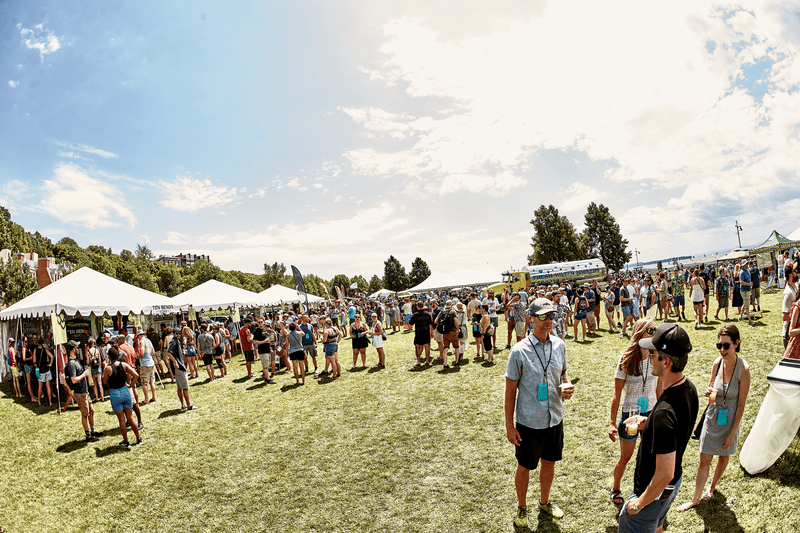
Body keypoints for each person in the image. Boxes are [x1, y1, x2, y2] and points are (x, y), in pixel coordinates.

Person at [618, 323, 699, 533]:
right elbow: (677, 428)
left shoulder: (664, 413)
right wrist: (648, 422)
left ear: (666, 362)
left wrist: (639, 503)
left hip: (653, 490)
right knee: (657, 526)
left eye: (653, 353)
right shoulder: (689, 389)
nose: (648, 356)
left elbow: (664, 473)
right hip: (672, 486)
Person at [505, 298, 574, 527]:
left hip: (554, 417)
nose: (548, 321)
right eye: (543, 316)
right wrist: (509, 426)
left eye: (551, 316)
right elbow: (510, 391)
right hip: (529, 422)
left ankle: (544, 503)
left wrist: (566, 384)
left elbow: (564, 372)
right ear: (531, 318)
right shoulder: (518, 351)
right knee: (524, 466)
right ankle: (522, 508)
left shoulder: (560, 345)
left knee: (549, 463)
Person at [678, 325, 750, 511]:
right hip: (713, 416)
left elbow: (741, 405)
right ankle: (695, 499)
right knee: (704, 459)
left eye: (726, 345)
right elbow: (711, 394)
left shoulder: (743, 369)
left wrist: (732, 433)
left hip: (730, 419)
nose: (722, 350)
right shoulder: (717, 363)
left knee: (723, 457)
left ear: (736, 343)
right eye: (719, 345)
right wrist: (709, 393)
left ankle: (712, 486)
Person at [608, 318, 662, 505]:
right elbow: (616, 394)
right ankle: (615, 488)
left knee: (650, 457)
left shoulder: (658, 356)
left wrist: (662, 412)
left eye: (655, 330)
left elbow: (660, 389)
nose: (654, 333)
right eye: (651, 330)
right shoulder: (626, 359)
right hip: (630, 415)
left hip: (651, 414)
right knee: (626, 456)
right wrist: (612, 423)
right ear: (640, 333)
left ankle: (647, 492)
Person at [103, 346, 142, 448]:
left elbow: (104, 381)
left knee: (121, 420)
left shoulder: (107, 368)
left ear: (109, 356)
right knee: (130, 418)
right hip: (125, 391)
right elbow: (136, 375)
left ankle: (126, 441)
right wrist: (130, 385)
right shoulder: (124, 365)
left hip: (115, 393)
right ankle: (138, 438)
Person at [64, 340, 101, 442]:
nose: (78, 349)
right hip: (79, 392)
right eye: (76, 347)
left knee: (91, 411)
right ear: (72, 349)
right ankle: (88, 435)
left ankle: (93, 431)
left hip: (84, 391)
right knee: (85, 414)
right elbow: (73, 380)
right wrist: (84, 374)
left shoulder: (76, 360)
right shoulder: (71, 364)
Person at [165, 330, 199, 411]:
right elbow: (168, 353)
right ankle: (189, 405)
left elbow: (175, 352)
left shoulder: (176, 341)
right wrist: (175, 362)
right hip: (180, 367)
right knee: (185, 387)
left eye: (179, 333)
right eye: (176, 333)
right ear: (173, 334)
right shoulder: (173, 342)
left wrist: (182, 352)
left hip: (180, 366)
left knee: (180, 387)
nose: (178, 335)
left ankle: (183, 405)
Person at [434, 300, 460, 368]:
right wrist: (458, 329)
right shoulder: (453, 311)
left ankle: (445, 364)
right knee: (456, 347)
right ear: (451, 305)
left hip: (445, 332)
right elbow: (456, 321)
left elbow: (435, 321)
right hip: (453, 332)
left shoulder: (442, 311)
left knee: (445, 348)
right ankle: (456, 362)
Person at [409, 302, 433, 366]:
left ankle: (418, 362)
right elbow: (431, 324)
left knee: (418, 347)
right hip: (426, 332)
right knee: (427, 347)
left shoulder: (415, 315)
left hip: (418, 332)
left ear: (417, 307)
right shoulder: (427, 315)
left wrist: (410, 329)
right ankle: (427, 361)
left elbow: (410, 323)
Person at [136, 331, 157, 404]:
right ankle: (154, 397)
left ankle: (146, 399)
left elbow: (141, 354)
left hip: (145, 364)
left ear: (139, 336)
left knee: (144, 382)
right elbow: (153, 352)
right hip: (151, 363)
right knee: (152, 381)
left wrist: (137, 356)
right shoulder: (148, 340)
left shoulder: (141, 341)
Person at [34, 337, 54, 406]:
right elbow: (51, 356)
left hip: (40, 370)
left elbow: (34, 361)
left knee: (40, 386)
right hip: (46, 369)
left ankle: (39, 401)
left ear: (37, 342)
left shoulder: (35, 350)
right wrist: (50, 364)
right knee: (48, 386)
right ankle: (50, 402)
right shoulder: (45, 349)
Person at [782, 265, 798, 349]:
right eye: (795, 272)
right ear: (791, 275)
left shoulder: (796, 286)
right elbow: (784, 316)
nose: (797, 273)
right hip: (789, 335)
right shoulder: (787, 293)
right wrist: (796, 315)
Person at [738, 259, 753, 325]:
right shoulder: (742, 272)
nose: (747, 265)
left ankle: (740, 316)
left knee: (745, 303)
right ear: (743, 265)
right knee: (747, 305)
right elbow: (741, 282)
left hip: (747, 289)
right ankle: (750, 320)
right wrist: (749, 284)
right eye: (746, 264)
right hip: (744, 290)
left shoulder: (747, 271)